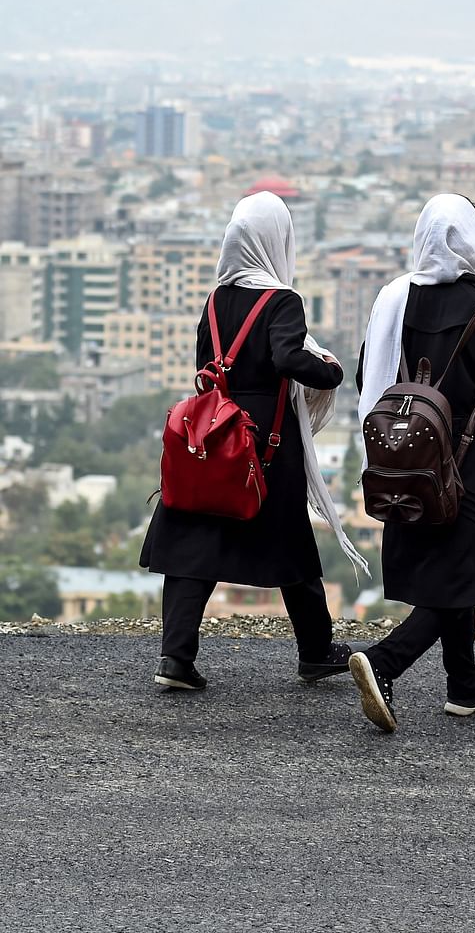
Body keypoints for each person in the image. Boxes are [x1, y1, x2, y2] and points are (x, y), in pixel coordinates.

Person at [140, 191, 368, 690]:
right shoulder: (282, 300)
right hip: (263, 439)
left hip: (211, 429)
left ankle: (175, 658)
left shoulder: (216, 300)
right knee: (291, 544)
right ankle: (315, 650)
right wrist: (329, 371)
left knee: (192, 544)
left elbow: (204, 362)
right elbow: (287, 357)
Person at [348, 193, 475, 732]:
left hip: (404, 463)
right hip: (465, 464)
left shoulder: (395, 301)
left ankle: (464, 685)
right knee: (464, 571)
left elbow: (368, 379)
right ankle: (385, 662)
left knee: (447, 571)